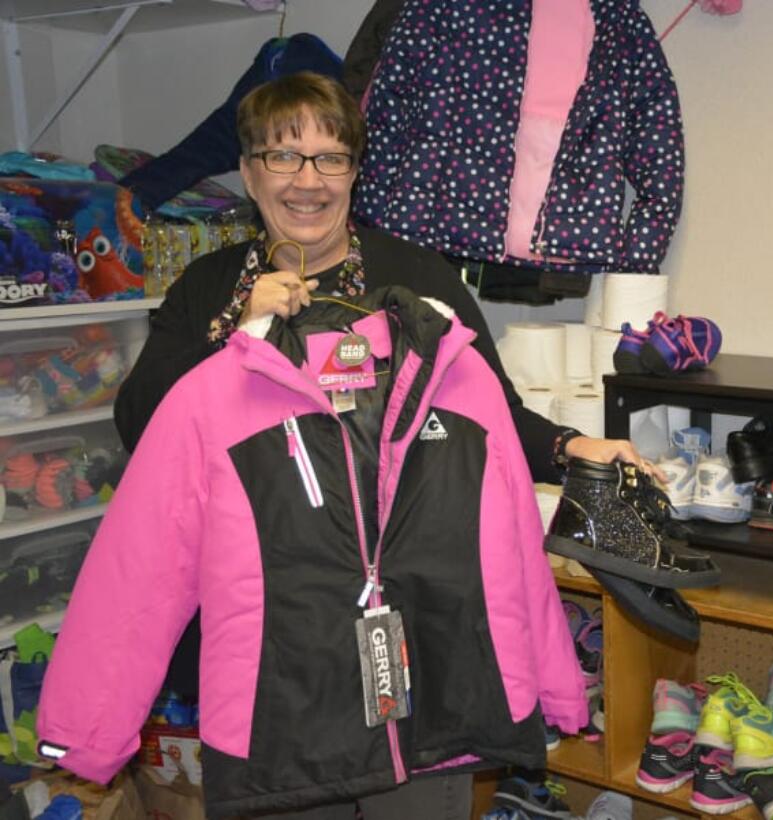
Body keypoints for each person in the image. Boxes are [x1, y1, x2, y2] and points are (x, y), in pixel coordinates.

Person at [108, 72, 652, 818]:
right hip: (278, 641)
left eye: (331, 158)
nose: (308, 182)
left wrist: (570, 446)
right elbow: (141, 424)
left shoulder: (417, 278)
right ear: (248, 172)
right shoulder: (210, 287)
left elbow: (491, 414)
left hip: (415, 621)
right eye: (284, 157)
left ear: (355, 173)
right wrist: (231, 335)